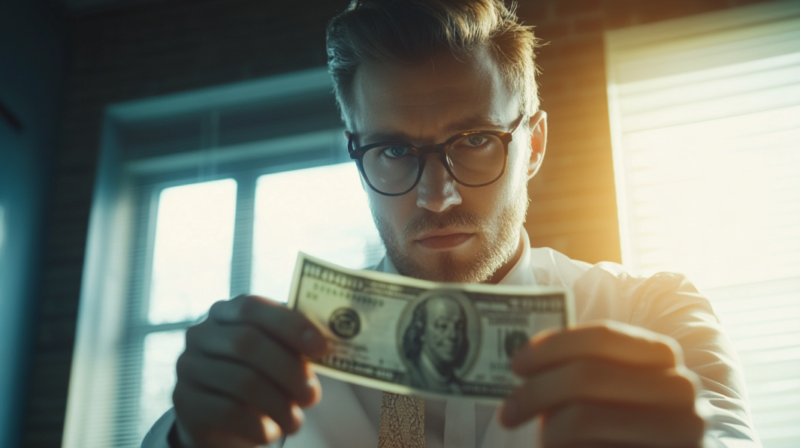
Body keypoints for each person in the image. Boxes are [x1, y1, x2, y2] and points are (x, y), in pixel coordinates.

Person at [142, 1, 760, 447]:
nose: (437, 196)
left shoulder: (656, 314)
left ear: (535, 143)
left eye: (474, 140)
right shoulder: (268, 369)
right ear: (355, 152)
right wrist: (189, 438)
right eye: (393, 150)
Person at [402, 293, 470, 393]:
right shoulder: (406, 382)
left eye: (459, 327)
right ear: (421, 331)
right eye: (443, 326)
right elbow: (394, 409)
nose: (453, 336)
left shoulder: (457, 387)